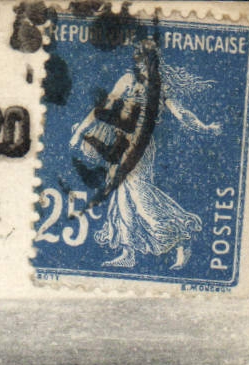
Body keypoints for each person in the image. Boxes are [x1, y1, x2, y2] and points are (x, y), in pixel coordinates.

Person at [68, 38, 222, 270]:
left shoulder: (160, 88)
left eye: (147, 59)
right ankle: (128, 252)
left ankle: (181, 237)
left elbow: (181, 113)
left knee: (139, 197)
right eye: (140, 58)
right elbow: (103, 108)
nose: (142, 64)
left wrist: (204, 127)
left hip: (140, 147)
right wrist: (80, 131)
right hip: (118, 144)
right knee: (122, 196)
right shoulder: (127, 80)